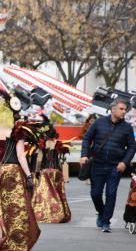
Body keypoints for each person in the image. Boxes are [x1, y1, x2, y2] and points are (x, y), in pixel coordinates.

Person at [0, 88, 41, 251]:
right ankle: (15, 240)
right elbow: (21, 156)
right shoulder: (17, 131)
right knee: (15, 208)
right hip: (12, 171)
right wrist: (29, 175)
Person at [80, 99, 136, 233]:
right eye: (121, 109)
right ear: (113, 109)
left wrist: (124, 162)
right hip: (97, 165)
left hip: (115, 166)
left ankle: (106, 222)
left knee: (111, 194)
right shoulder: (99, 123)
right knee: (95, 193)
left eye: (125, 109)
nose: (124, 111)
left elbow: (132, 146)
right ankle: (101, 212)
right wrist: (84, 154)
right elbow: (87, 138)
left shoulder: (127, 128)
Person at [32, 119, 71, 223]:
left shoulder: (42, 144)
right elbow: (62, 160)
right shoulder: (59, 144)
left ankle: (48, 214)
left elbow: (39, 159)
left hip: (45, 172)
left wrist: (36, 171)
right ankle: (60, 213)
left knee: (46, 194)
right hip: (57, 171)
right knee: (57, 193)